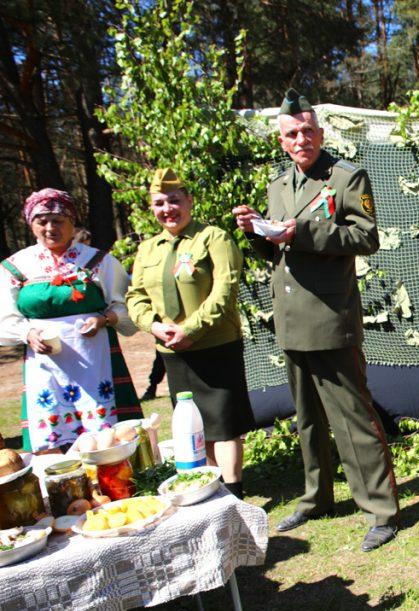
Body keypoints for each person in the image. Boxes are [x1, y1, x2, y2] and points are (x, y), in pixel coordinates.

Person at [232, 89, 399, 549]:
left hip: (329, 316)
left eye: (307, 130)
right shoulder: (278, 185)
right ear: (282, 141)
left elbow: (366, 237)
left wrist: (301, 231)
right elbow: (277, 249)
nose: (301, 138)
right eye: (291, 134)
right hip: (290, 317)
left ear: (320, 134)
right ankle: (316, 497)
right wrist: (257, 232)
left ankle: (380, 510)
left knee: (351, 417)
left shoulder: (346, 179)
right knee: (306, 418)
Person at [126, 169, 255, 498]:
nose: (167, 208)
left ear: (189, 201)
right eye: (159, 203)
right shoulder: (148, 249)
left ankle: (234, 493)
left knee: (224, 424)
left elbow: (225, 290)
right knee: (197, 425)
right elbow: (135, 297)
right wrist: (154, 326)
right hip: (173, 352)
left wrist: (191, 329)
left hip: (215, 344)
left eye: (174, 200)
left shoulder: (213, 237)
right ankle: (216, 491)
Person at [0, 189, 142, 452]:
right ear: (31, 224)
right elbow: (5, 318)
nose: (50, 228)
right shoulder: (16, 266)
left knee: (107, 439)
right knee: (52, 435)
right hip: (44, 368)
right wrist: (28, 333)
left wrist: (104, 319)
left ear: (72, 223)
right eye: (42, 221)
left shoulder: (98, 261)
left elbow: (127, 309)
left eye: (58, 220)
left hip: (96, 362)